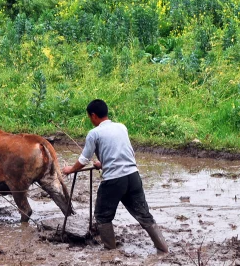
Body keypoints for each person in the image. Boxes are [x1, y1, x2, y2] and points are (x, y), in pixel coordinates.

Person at [61, 99, 168, 253]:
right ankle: (163, 249)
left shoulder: (94, 133)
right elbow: (124, 153)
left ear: (93, 116)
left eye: (90, 117)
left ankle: (110, 251)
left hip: (113, 181)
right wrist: (102, 163)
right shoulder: (121, 127)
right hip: (133, 177)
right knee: (144, 215)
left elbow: (83, 160)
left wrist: (70, 169)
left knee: (102, 216)